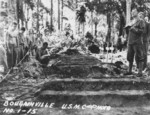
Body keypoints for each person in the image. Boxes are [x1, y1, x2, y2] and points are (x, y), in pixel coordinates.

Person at [125, 9, 146, 77]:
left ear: (137, 13)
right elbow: (128, 31)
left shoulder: (141, 21)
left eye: (134, 12)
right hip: (130, 41)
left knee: (139, 56)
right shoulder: (131, 21)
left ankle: (140, 72)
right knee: (130, 56)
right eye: (131, 12)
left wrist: (134, 29)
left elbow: (143, 31)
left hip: (137, 42)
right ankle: (129, 70)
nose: (132, 13)